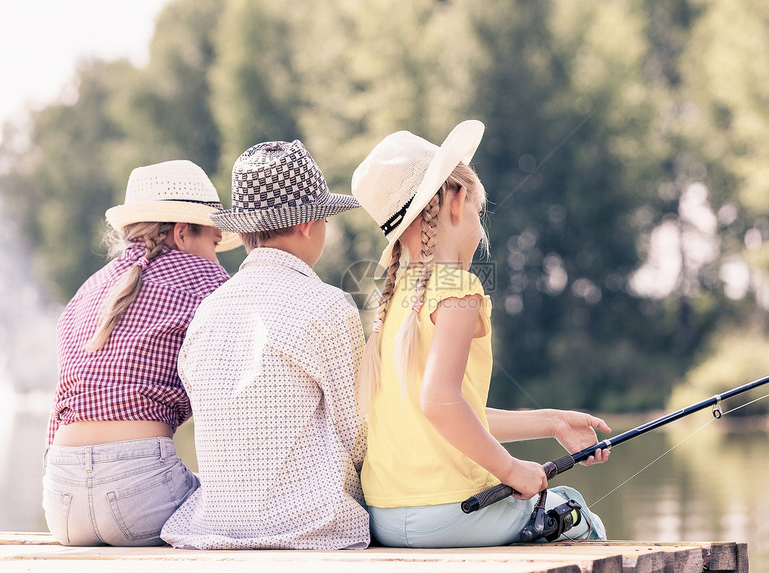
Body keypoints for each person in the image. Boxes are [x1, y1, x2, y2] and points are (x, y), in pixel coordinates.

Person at [350, 120, 612, 548]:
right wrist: (511, 471)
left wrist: (552, 422)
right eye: (478, 208)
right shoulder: (458, 288)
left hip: (384, 515)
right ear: (457, 199)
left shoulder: (392, 302)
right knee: (576, 511)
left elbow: (453, 412)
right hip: (452, 514)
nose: (479, 222)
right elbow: (440, 403)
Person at [160, 140, 369, 550]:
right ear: (309, 224)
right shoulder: (328, 306)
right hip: (312, 528)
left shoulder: (207, 312)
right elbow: (357, 435)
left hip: (218, 526)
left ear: (242, 231)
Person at [42, 159, 242, 546]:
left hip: (60, 500)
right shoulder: (204, 277)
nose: (218, 259)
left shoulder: (87, 291)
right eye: (214, 243)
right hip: (140, 495)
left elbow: (60, 402)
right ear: (183, 233)